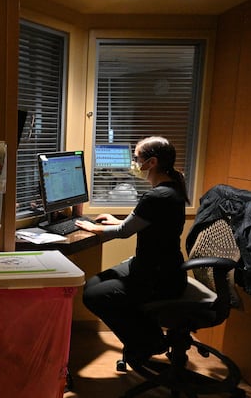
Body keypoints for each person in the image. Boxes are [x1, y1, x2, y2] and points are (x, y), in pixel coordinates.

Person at [75, 136, 190, 368]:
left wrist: (94, 227)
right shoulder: (170, 189)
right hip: (158, 268)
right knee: (91, 285)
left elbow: (124, 232)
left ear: (152, 162)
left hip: (158, 278)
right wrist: (112, 221)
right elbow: (140, 222)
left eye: (137, 159)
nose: (134, 163)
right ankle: (148, 335)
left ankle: (147, 342)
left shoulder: (157, 196)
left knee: (93, 296)